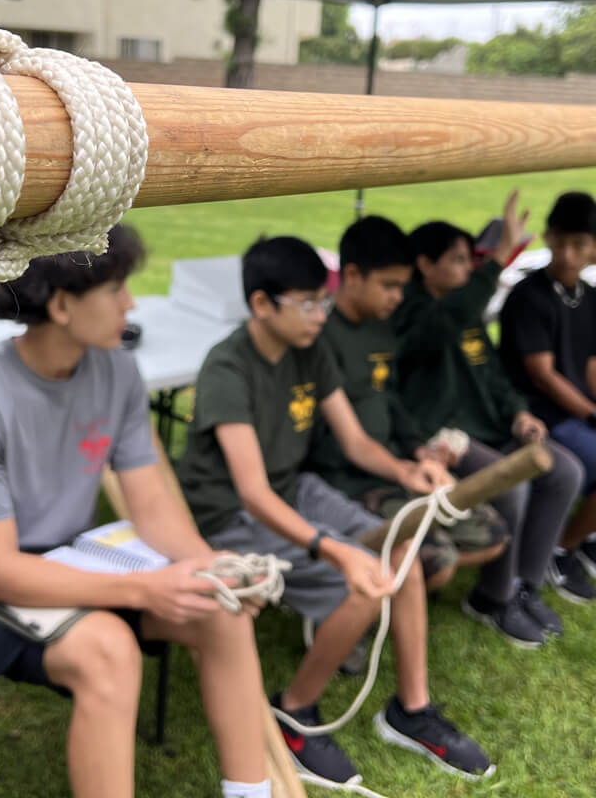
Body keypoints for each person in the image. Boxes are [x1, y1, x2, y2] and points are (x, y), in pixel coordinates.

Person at [0, 224, 273, 798]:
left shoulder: (116, 368)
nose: (132, 303)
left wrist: (210, 569)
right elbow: (1, 571)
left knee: (219, 609)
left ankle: (252, 792)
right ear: (64, 304)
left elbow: (150, 502)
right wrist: (149, 591)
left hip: (77, 556)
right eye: (117, 288)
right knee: (109, 652)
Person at [176, 235, 492, 788]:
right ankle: (295, 711)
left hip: (293, 488)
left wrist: (405, 472)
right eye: (307, 303)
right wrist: (332, 549)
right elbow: (251, 492)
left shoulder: (310, 348)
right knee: (364, 581)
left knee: (404, 553)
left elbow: (353, 440)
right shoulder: (227, 367)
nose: (320, 314)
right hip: (226, 514)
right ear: (261, 305)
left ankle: (410, 711)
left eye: (322, 301)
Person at [394, 192, 590, 652]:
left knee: (565, 471)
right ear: (425, 265)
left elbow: (494, 376)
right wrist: (500, 256)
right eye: (459, 261)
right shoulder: (415, 314)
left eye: (472, 261)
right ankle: (492, 597)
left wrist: (519, 413)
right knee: (511, 483)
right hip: (443, 437)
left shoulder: (466, 316)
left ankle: (525, 583)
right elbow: (450, 318)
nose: (469, 269)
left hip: (490, 428)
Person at [311, 215, 508, 593]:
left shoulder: (382, 328)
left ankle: (394, 577)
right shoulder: (320, 339)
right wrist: (401, 469)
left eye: (401, 286)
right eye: (389, 286)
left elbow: (392, 402)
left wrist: (422, 452)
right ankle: (370, 584)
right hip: (347, 481)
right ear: (351, 276)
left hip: (395, 467)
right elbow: (340, 440)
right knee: (439, 560)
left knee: (494, 534)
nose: (399, 297)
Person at [499, 190, 596, 596]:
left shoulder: (589, 297)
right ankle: (561, 547)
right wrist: (592, 415)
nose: (568, 254)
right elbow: (542, 376)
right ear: (549, 238)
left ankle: (581, 537)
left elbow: (590, 363)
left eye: (580, 245)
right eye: (562, 242)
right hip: (541, 413)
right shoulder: (529, 296)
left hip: (575, 410)